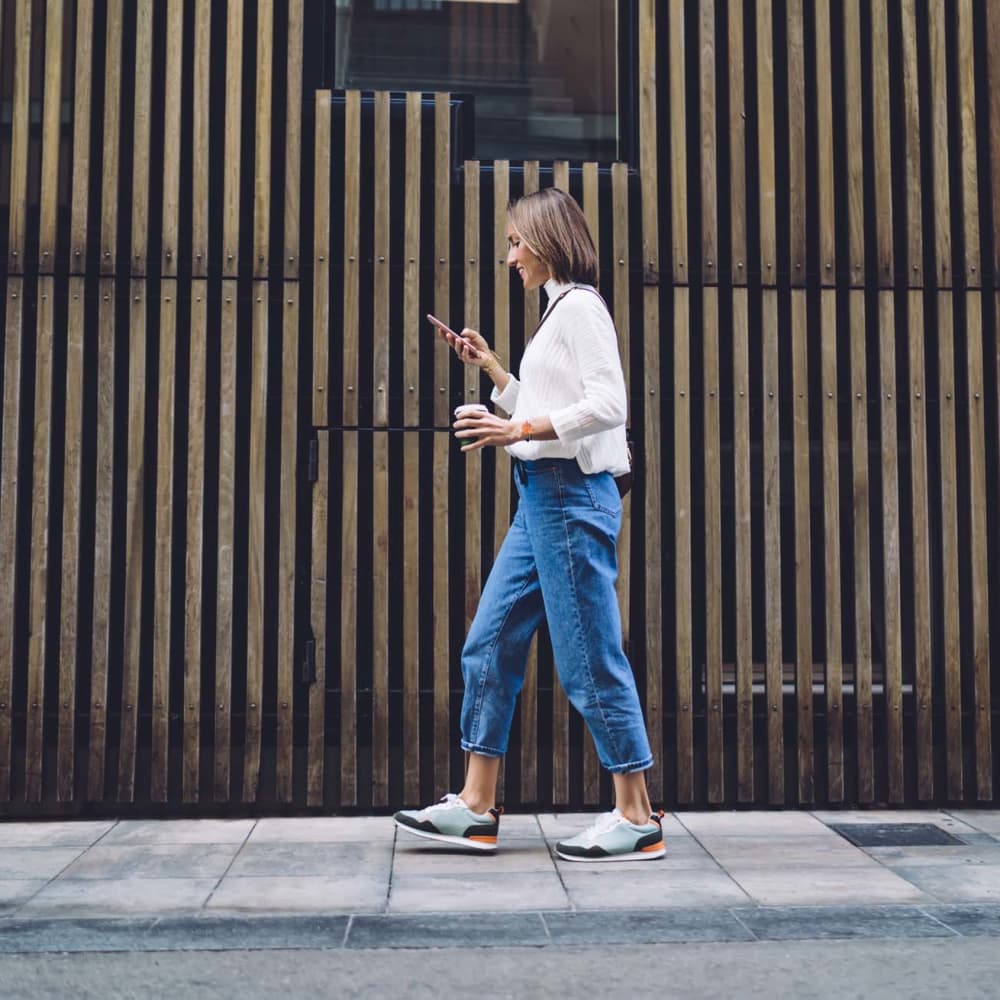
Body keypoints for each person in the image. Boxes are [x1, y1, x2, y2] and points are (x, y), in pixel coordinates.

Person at [394, 187, 664, 862]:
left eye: (516, 241)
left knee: (588, 661)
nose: (510, 256)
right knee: (489, 645)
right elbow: (548, 409)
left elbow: (607, 404)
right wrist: (492, 371)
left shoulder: (581, 307)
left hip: (571, 499)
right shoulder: (555, 315)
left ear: (547, 238)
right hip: (541, 499)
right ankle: (476, 807)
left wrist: (515, 425)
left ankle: (637, 816)